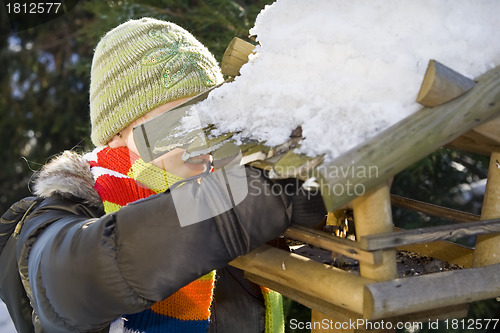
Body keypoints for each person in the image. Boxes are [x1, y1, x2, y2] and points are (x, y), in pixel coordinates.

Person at [0, 18, 326, 333]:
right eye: (178, 122)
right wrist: (253, 197)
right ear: (116, 135)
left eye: (210, 118)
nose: (201, 140)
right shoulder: (53, 219)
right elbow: (80, 277)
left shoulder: (233, 190)